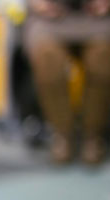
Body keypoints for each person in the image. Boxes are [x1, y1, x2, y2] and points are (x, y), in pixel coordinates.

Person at [24, 0, 110, 165]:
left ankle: (93, 134)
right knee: (48, 59)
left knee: (102, 59)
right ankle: (62, 132)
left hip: (96, 18)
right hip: (49, 19)